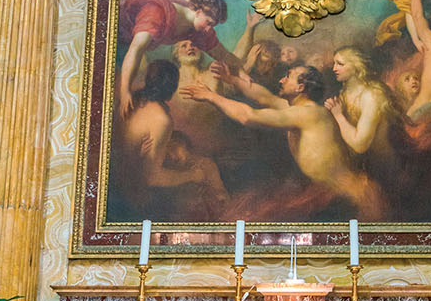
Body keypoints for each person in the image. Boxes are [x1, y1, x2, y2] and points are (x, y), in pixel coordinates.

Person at [182, 62, 387, 218]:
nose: (281, 80)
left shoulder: (308, 113)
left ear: (300, 88)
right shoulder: (300, 108)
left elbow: (249, 116)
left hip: (354, 199)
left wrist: (212, 97)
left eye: (288, 77)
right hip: (332, 195)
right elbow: (265, 97)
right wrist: (233, 80)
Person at [117, 59, 229, 218]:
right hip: (134, 192)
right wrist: (192, 175)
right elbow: (151, 178)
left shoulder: (132, 98)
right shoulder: (161, 120)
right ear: (173, 87)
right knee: (205, 168)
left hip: (124, 170)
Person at [116, 0, 239, 117]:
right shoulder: (157, 13)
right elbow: (136, 49)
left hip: (126, 45)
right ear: (198, 12)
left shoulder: (197, 27)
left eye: (212, 25)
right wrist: (125, 91)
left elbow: (223, 54)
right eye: (209, 23)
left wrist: (242, 74)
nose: (209, 29)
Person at [325, 47, 407, 198]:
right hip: (361, 167)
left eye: (340, 64)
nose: (334, 68)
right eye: (334, 63)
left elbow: (360, 145)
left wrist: (338, 115)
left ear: (356, 65)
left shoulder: (371, 95)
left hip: (383, 168)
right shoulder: (345, 92)